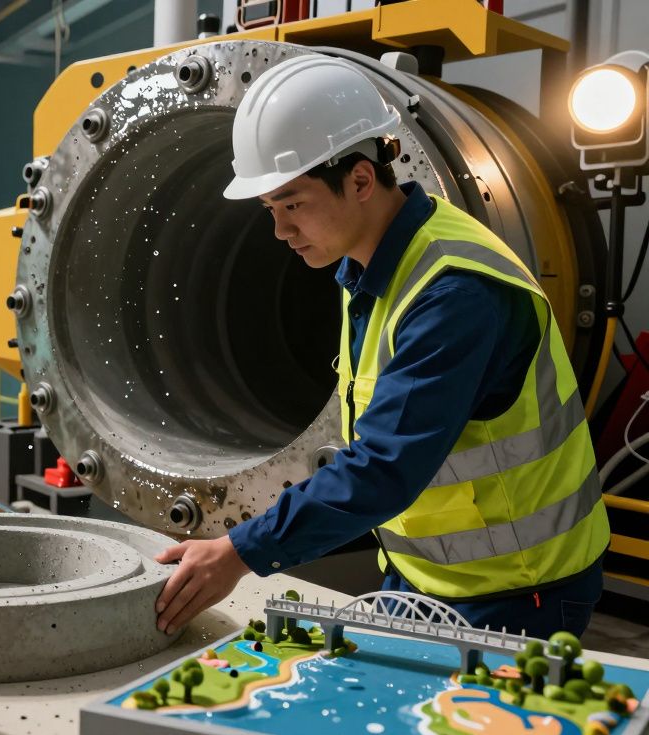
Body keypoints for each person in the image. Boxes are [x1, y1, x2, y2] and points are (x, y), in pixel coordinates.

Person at [153, 54, 609, 640]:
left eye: (292, 204)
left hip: (518, 589)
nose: (280, 232)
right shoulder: (368, 262)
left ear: (361, 180)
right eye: (271, 210)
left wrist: (240, 551)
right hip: (421, 574)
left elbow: (386, 464)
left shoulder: (453, 292)